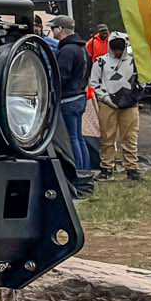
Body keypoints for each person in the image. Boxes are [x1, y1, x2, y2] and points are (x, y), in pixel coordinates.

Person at [90, 32, 143, 180]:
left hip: (130, 104)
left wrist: (133, 98)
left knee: (130, 137)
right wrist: (106, 98)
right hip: (108, 104)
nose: (117, 52)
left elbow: (143, 81)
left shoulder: (135, 62)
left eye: (120, 49)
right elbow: (94, 83)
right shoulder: (100, 62)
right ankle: (107, 168)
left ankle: (131, 168)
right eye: (115, 49)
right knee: (107, 137)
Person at [51, 18, 94, 190]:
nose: (52, 32)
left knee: (72, 138)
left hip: (68, 98)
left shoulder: (67, 50)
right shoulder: (83, 49)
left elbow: (61, 75)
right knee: (79, 137)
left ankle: (77, 172)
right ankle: (85, 170)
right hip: (80, 96)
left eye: (53, 28)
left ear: (61, 29)